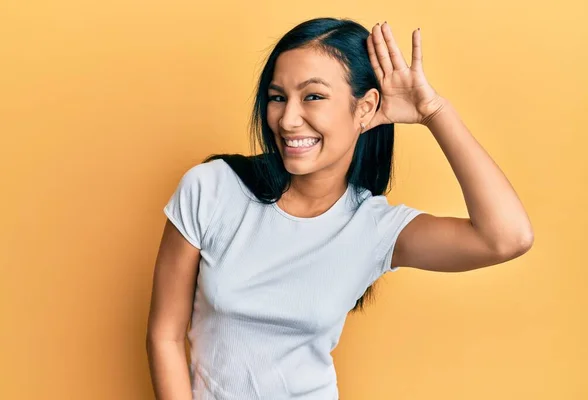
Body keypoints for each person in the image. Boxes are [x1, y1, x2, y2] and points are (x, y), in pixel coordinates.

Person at [146, 17, 534, 400]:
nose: (288, 119)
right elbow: (164, 335)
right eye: (278, 97)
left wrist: (434, 112)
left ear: (365, 109)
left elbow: (507, 238)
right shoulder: (211, 188)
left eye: (313, 96)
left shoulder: (374, 227)